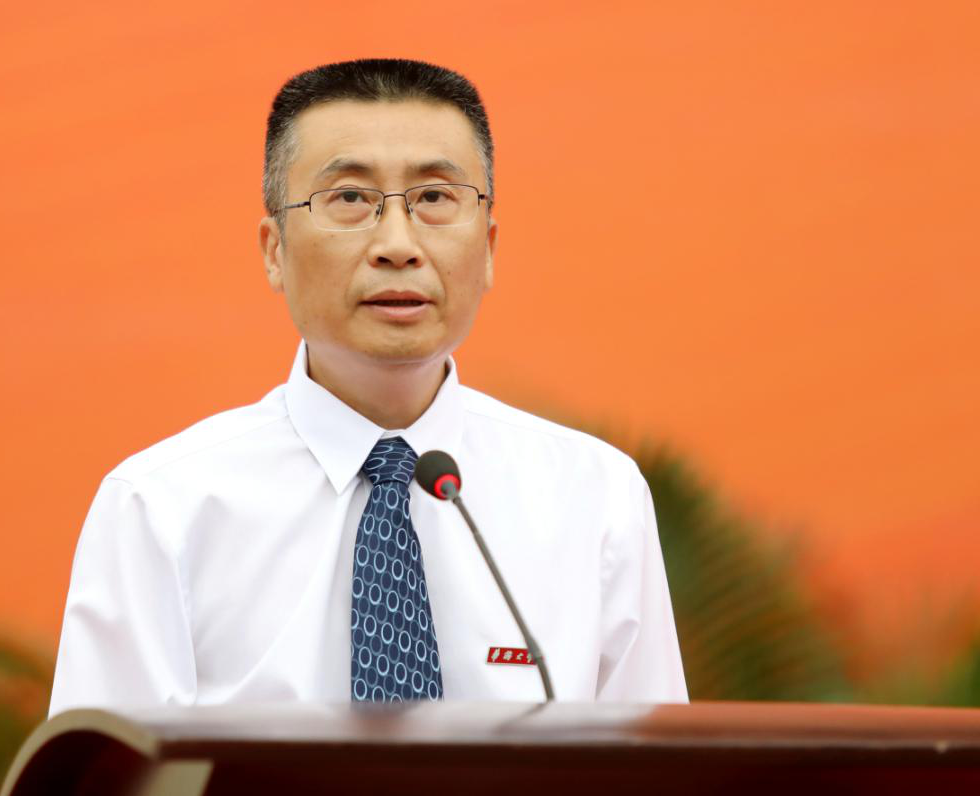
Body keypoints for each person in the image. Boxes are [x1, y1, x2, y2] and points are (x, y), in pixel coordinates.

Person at [48, 59, 687, 715]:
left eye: (434, 198)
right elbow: (108, 763)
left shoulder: (593, 496)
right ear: (274, 250)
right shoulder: (162, 507)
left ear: (489, 247)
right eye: (350, 199)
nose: (397, 245)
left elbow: (654, 759)